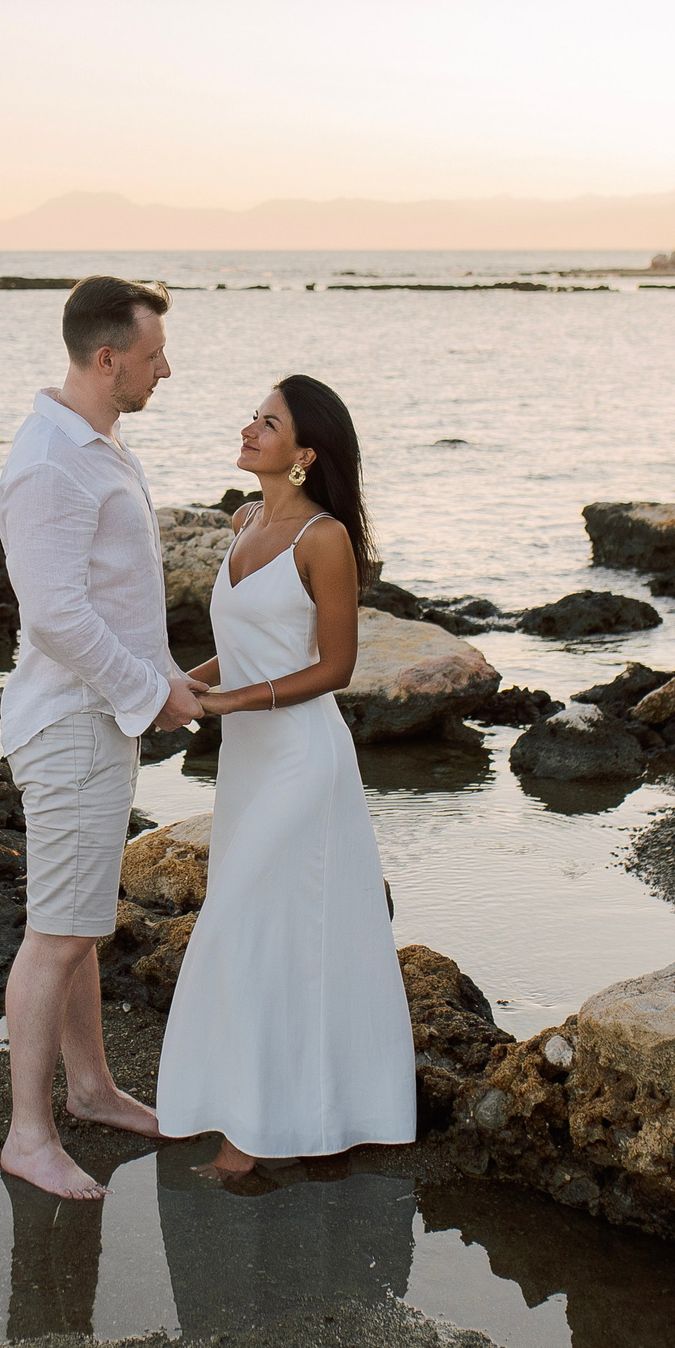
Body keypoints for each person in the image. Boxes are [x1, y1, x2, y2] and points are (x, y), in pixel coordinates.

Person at [154, 374, 416, 1174]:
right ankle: (282, 1108)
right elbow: (240, 647)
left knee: (244, 923)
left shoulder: (324, 538)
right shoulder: (243, 521)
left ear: (304, 453)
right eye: (252, 415)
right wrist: (177, 683)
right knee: (278, 935)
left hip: (304, 759)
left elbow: (335, 667)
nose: (249, 428)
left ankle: (248, 1139)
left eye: (267, 422)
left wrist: (228, 700)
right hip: (247, 764)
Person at [0, 274, 202, 1201]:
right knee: (55, 934)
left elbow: (112, 593)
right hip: (73, 725)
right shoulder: (51, 461)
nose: (167, 369)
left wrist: (166, 678)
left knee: (77, 926)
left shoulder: (99, 444)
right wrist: (146, 692)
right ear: (107, 356)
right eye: (154, 356)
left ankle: (91, 1087)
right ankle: (28, 1135)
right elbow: (56, 617)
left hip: (95, 718)